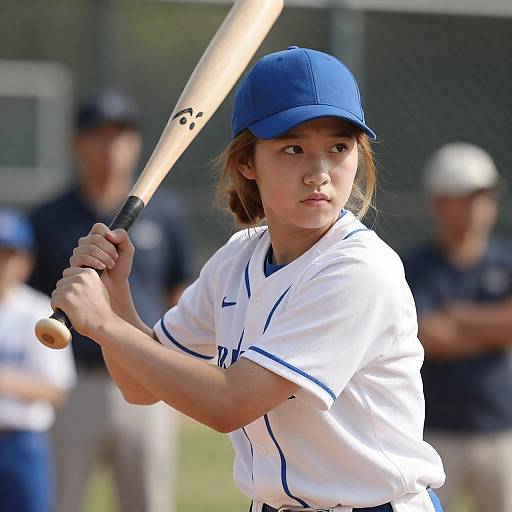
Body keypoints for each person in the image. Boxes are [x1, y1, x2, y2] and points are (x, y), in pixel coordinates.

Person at [50, 47, 445, 511]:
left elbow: (229, 403)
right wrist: (118, 300)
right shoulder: (239, 257)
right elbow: (141, 386)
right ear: (247, 164)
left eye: (339, 147)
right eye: (293, 148)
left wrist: (104, 325)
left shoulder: (359, 269)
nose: (320, 173)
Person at [29, 89, 191, 512]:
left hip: (146, 378)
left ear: (135, 143)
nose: (111, 146)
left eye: (121, 134)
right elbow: (30, 301)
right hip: (72, 383)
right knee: (58, 501)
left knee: (148, 503)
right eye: (99, 134)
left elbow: (178, 292)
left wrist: (177, 373)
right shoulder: (48, 218)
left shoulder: (166, 214)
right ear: (77, 143)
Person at [404, 143, 512, 512]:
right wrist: (493, 328)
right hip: (432, 433)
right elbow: (427, 337)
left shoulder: (504, 260)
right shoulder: (415, 267)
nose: (476, 208)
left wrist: (460, 315)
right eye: (464, 198)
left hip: (498, 430)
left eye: (483, 197)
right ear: (438, 202)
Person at [0, 208, 75, 512]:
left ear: (26, 261)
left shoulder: (37, 311)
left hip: (20, 440)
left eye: (9, 254)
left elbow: (57, 388)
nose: (2, 263)